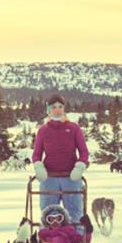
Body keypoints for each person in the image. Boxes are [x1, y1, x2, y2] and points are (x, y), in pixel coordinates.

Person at [31, 95, 89, 234]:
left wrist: (80, 166)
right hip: (49, 178)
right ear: (48, 110)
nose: (57, 110)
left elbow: (84, 152)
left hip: (71, 177)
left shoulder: (73, 128)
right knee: (48, 213)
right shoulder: (43, 130)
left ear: (64, 109)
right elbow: (36, 154)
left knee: (74, 213)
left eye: (60, 107)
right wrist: (38, 166)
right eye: (54, 107)